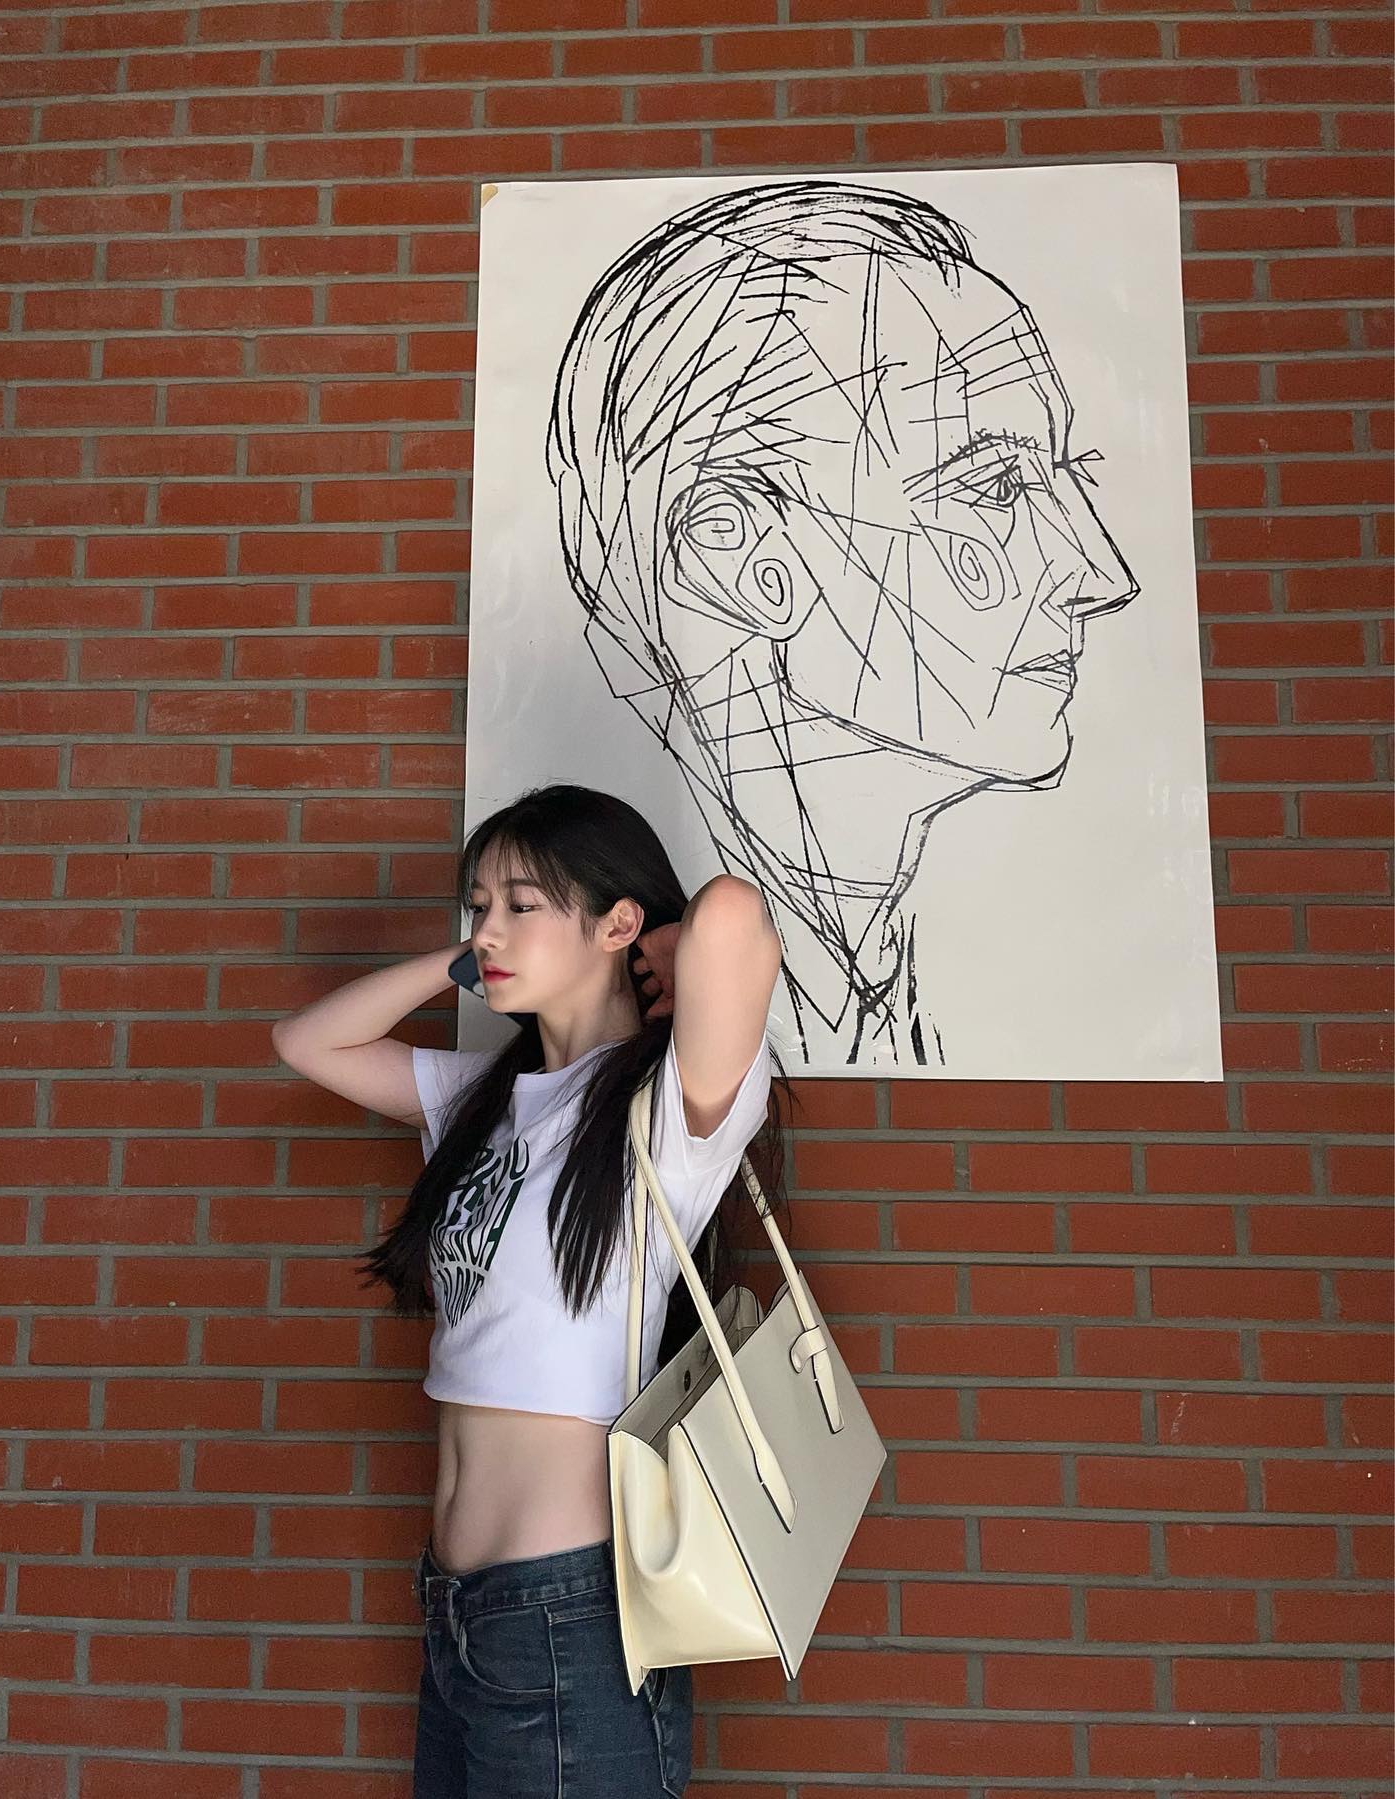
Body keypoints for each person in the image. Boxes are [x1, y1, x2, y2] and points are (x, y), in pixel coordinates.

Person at [271, 782, 790, 1798]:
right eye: (478, 905)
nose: (489, 929)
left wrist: (669, 944)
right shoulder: (483, 1097)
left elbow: (733, 914)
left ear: (616, 923)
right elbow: (307, 1042)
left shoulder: (670, 1105)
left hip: (573, 1607)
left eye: (521, 903)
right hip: (457, 1608)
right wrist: (461, 961)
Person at [548, 180, 1138, 1068]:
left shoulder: (938, 995)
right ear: (735, 552)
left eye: (1067, 478)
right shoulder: (620, 986)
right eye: (995, 486)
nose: (1099, 573)